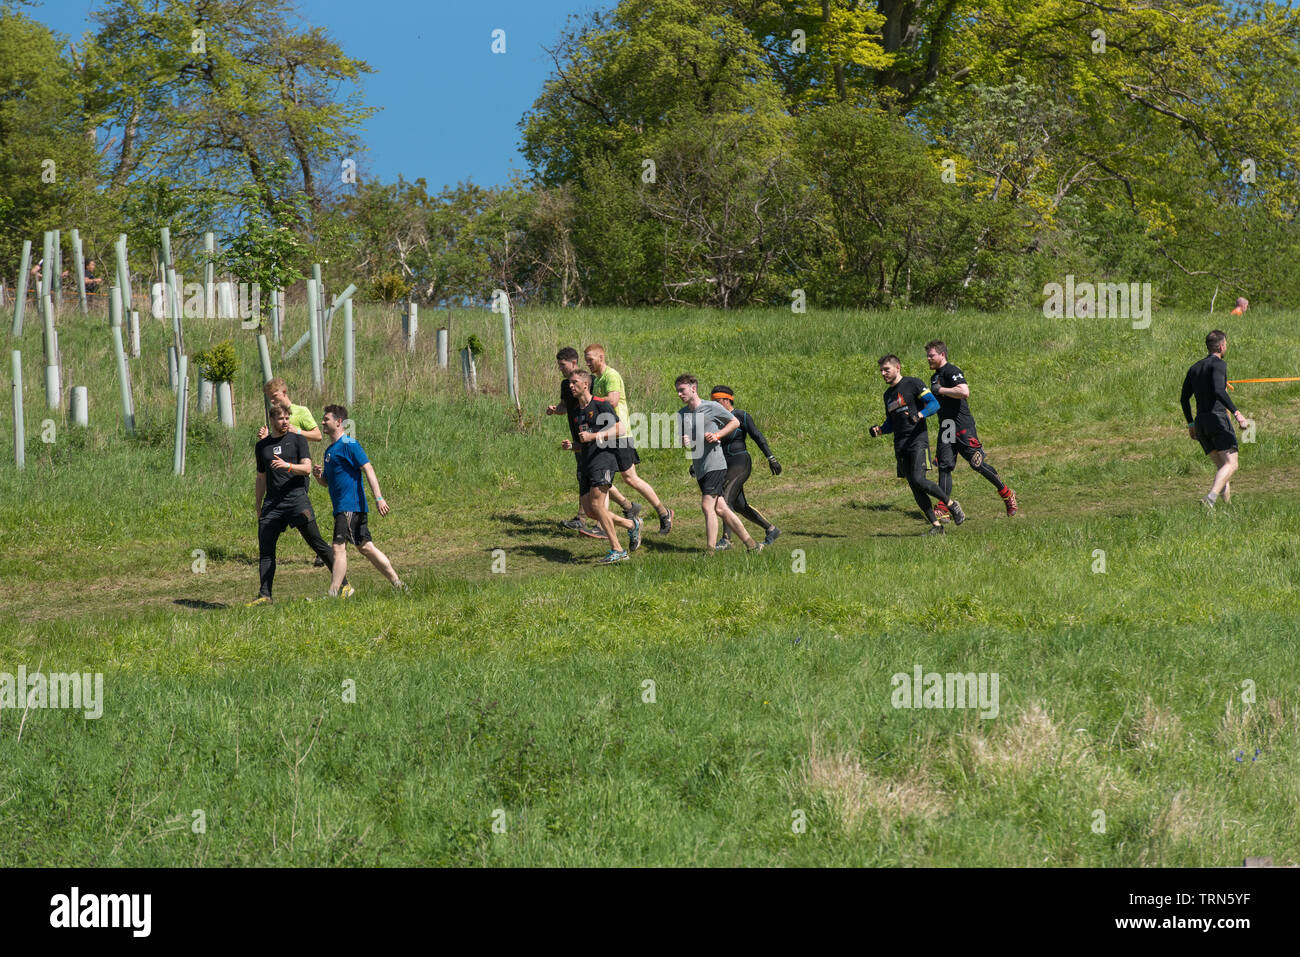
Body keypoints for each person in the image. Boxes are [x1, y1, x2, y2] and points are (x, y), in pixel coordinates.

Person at [248, 402, 349, 604]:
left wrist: (287, 466)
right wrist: (258, 504)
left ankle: (345, 585)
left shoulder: (297, 440)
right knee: (266, 550)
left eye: (287, 418)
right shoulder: (262, 446)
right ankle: (264, 595)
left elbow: (307, 468)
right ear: (272, 420)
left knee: (317, 543)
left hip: (296, 499)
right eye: (281, 419)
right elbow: (261, 478)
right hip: (272, 504)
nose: (285, 422)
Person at [311, 405, 407, 595]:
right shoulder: (330, 451)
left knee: (338, 547)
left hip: (350, 506)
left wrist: (379, 497)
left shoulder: (349, 444)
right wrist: (318, 476)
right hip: (342, 507)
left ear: (339, 422)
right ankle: (398, 584)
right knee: (366, 547)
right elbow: (327, 483)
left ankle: (333, 594)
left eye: (326, 419)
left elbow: (368, 469)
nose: (322, 422)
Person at [869, 355, 965, 535]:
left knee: (920, 479)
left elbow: (934, 404)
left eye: (886, 369)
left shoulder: (913, 384)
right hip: (900, 444)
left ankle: (951, 505)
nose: (883, 373)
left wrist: (919, 415)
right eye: (881, 370)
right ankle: (937, 527)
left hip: (917, 441)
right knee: (914, 486)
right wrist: (880, 429)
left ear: (897, 367)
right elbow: (892, 421)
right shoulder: (887, 395)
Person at [585, 344, 674, 534]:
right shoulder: (598, 379)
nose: (588, 363)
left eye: (590, 359)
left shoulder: (611, 376)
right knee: (603, 480)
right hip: (605, 435)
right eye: (586, 360)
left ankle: (664, 512)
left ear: (601, 357)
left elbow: (613, 400)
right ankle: (601, 525)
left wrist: (592, 401)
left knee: (630, 478)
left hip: (619, 434)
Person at [924, 341, 1018, 520]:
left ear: (942, 355)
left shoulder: (952, 371)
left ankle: (1007, 494)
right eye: (927, 356)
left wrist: (941, 390)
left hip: (962, 427)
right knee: (944, 467)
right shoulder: (934, 377)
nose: (928, 359)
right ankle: (943, 507)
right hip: (946, 426)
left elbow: (964, 391)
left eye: (931, 355)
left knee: (978, 464)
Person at [674, 375, 763, 552]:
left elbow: (735, 422)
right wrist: (683, 440)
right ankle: (752, 545)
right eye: (677, 390)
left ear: (693, 389)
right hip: (700, 468)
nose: (679, 394)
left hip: (715, 463)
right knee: (721, 509)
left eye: (682, 390)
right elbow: (686, 440)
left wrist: (717, 435)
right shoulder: (681, 414)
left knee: (707, 506)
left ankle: (710, 551)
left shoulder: (712, 407)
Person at [569, 370, 641, 563]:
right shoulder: (576, 412)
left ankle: (618, 550)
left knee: (597, 505)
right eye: (570, 383)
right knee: (592, 511)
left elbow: (620, 429)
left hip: (604, 460)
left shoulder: (601, 405)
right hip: (586, 462)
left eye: (574, 382)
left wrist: (593, 436)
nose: (570, 386)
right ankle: (630, 524)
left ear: (586, 384)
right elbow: (582, 441)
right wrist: (572, 446)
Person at [1181, 330, 1249, 508]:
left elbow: (1184, 399)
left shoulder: (1194, 368)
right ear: (1221, 346)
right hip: (1217, 418)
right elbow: (1219, 391)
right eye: (1225, 344)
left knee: (1223, 469)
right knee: (1232, 465)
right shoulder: (1219, 364)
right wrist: (1237, 413)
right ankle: (1209, 498)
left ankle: (1227, 508)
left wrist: (1191, 424)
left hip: (1201, 423)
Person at [709, 386, 781, 550]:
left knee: (725, 499)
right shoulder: (715, 420)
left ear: (727, 400)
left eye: (717, 401)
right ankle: (771, 529)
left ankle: (726, 540)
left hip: (741, 462)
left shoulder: (740, 415)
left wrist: (771, 458)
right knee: (740, 505)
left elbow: (758, 436)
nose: (714, 405)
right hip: (724, 465)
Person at [546, 346, 601, 537]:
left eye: (562, 365)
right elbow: (565, 407)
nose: (560, 368)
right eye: (559, 365)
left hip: (591, 435)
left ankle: (621, 510)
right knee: (583, 474)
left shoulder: (589, 381)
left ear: (573, 363)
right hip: (577, 436)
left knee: (594, 477)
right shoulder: (565, 385)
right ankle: (582, 517)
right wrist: (555, 410)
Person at [257, 378, 322, 442]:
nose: (271, 400)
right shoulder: (274, 414)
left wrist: (297, 431)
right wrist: (265, 439)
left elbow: (318, 436)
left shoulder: (301, 411)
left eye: (274, 396)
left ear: (284, 392)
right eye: (270, 398)